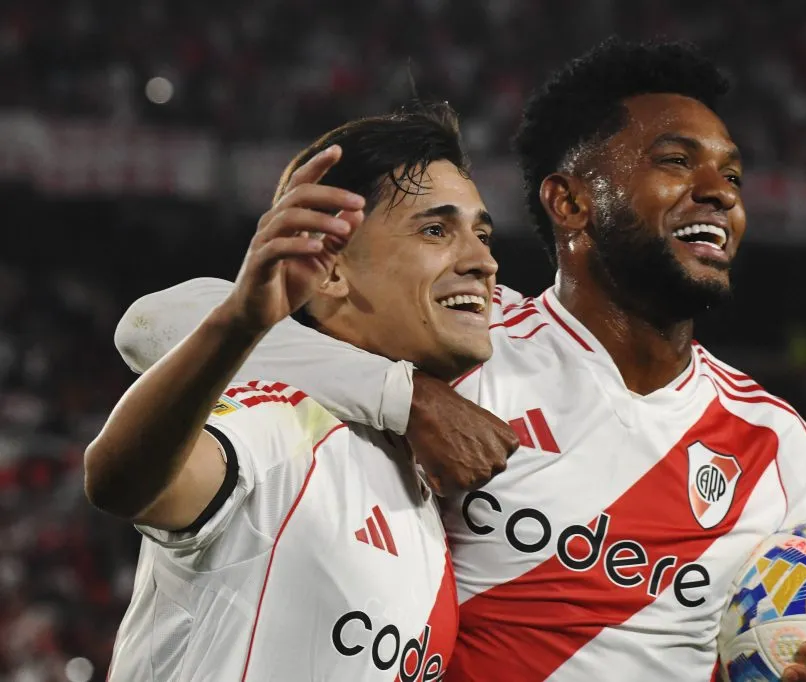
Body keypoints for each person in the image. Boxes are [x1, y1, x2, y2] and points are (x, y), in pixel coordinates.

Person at [114, 39, 806, 682]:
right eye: (675, 162)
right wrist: (404, 395)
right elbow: (160, 321)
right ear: (569, 201)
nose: (717, 190)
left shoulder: (777, 450)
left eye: (732, 175)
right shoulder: (470, 343)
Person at [85, 104, 517, 681]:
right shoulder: (283, 421)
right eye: (436, 230)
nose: (483, 260)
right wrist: (241, 321)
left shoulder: (414, 475)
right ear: (332, 269)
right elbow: (124, 481)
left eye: (483, 234)